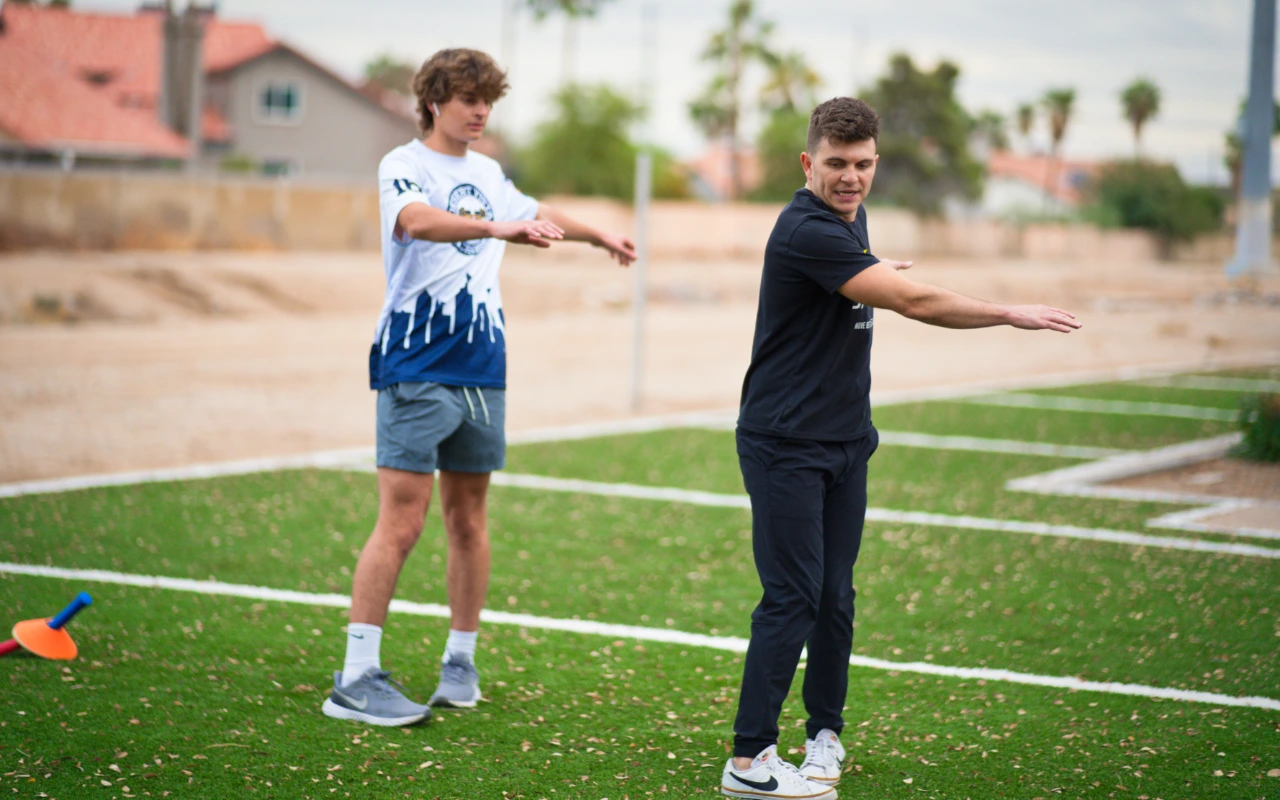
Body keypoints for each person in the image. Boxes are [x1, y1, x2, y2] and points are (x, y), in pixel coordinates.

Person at [720, 97, 1080, 799]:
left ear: (875, 162)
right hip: (786, 443)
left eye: (862, 165)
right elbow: (913, 302)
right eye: (835, 164)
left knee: (835, 596)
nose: (850, 177)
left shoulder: (849, 221)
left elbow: (862, 275)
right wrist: (1008, 312)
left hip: (846, 439)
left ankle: (824, 735)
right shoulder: (806, 228)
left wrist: (874, 264)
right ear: (808, 162)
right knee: (791, 597)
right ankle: (749, 761)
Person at [322, 48, 636, 727]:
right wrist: (497, 227)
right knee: (403, 521)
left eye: (488, 99)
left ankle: (460, 663)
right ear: (434, 101)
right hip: (416, 361)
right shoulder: (403, 164)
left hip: (483, 366)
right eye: (469, 98)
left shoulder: (489, 173)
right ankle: (355, 676)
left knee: (468, 520)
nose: (481, 110)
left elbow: (536, 209)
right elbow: (415, 221)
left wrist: (597, 235)